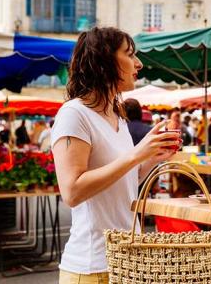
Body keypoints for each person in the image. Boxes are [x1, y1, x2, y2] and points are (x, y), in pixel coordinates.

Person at [51, 27, 181, 282]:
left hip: (125, 260)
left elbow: (124, 182)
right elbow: (72, 191)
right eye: (130, 54)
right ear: (104, 60)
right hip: (92, 266)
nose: (139, 63)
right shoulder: (73, 114)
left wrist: (150, 158)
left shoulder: (117, 117)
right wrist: (136, 155)